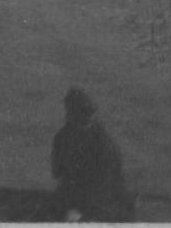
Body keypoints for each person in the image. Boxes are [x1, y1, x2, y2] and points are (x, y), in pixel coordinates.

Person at [50, 87, 134, 221]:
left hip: (97, 199)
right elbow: (57, 171)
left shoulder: (65, 137)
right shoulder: (100, 139)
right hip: (82, 198)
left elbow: (57, 171)